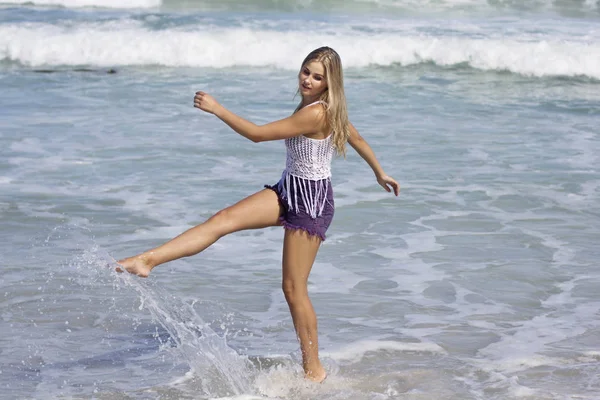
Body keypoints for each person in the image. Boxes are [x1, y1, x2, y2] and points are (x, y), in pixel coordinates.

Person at [116, 46, 400, 383]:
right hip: (288, 189)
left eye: (317, 77)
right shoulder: (318, 108)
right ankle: (147, 261)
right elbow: (357, 137)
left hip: (310, 202)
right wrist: (379, 172)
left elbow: (257, 135)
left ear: (330, 83)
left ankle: (314, 370)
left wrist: (217, 109)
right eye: (305, 71)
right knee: (221, 220)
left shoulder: (317, 113)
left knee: (294, 288)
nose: (308, 80)